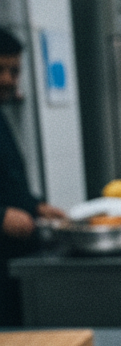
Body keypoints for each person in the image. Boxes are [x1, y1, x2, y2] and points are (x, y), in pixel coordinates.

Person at [0, 27, 66, 325]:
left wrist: (35, 206)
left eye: (13, 71)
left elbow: (8, 182)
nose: (7, 79)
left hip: (15, 257)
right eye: (0, 69)